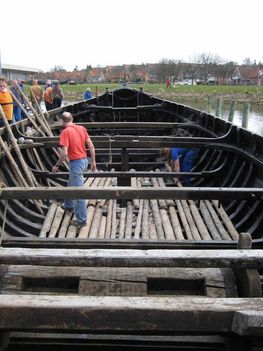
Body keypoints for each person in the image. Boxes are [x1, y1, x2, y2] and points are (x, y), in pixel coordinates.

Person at [52, 111, 97, 229]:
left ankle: (81, 220)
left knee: (78, 193)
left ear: (62, 121)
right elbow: (91, 146)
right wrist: (93, 162)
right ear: (72, 119)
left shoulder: (65, 132)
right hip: (84, 161)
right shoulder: (81, 128)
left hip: (76, 163)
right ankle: (69, 205)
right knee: (71, 183)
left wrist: (57, 165)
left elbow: (64, 153)